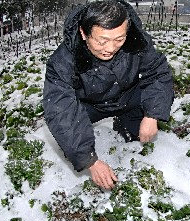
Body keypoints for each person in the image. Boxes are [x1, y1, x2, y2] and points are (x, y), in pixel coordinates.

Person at [43, 0, 174, 190]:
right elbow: (61, 110)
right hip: (89, 106)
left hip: (127, 97)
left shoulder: (136, 40)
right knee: (71, 140)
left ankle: (125, 121)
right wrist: (90, 162)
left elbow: (158, 72)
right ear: (83, 33)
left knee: (140, 133)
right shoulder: (63, 60)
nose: (110, 48)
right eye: (101, 41)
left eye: (118, 39)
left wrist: (152, 114)